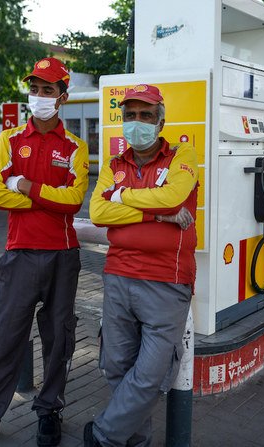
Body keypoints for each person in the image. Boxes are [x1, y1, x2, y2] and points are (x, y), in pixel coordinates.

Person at [0, 57, 89, 447]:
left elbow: (75, 200)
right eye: (35, 88)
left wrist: (26, 187)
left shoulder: (76, 147)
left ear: (63, 96)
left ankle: (49, 411)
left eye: (48, 89)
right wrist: (46, 198)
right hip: (20, 253)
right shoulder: (9, 140)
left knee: (59, 338)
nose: (39, 96)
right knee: (5, 337)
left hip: (63, 254)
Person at [85, 84, 199, 447]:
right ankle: (135, 442)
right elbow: (98, 212)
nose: (137, 123)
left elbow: (173, 197)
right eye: (130, 116)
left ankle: (102, 435)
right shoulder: (113, 164)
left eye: (145, 115)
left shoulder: (183, 156)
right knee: (116, 366)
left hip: (167, 280)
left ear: (160, 121)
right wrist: (155, 213)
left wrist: (121, 198)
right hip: (118, 274)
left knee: (149, 375)